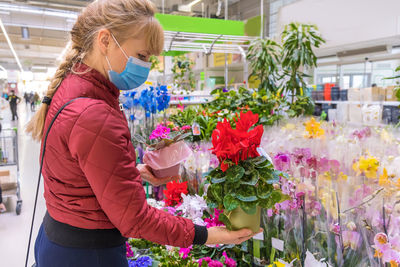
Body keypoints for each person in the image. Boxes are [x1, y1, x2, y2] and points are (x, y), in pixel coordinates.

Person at [26, 1, 259, 267]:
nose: (145, 66)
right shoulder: (95, 113)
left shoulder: (72, 87)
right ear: (105, 41)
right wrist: (209, 234)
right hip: (89, 253)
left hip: (59, 237)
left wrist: (127, 173)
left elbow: (73, 172)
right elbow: (135, 219)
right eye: (143, 55)